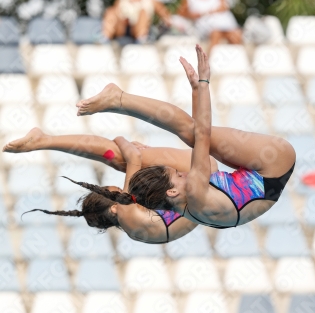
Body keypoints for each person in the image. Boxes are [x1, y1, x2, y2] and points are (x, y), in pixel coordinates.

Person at [75, 45, 296, 230]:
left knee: (193, 135)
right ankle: (118, 99)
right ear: (171, 191)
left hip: (263, 183)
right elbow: (202, 134)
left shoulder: (184, 208)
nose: (183, 172)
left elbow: (201, 138)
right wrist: (203, 83)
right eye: (177, 175)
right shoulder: (196, 193)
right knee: (191, 133)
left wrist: (194, 91)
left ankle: (117, 99)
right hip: (273, 163)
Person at [4, 128, 215, 243]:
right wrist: (122, 140)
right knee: (118, 157)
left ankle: (45, 141)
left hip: (206, 194)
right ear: (114, 206)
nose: (120, 188)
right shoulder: (127, 210)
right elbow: (134, 155)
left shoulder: (132, 230)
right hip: (205, 174)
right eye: (115, 191)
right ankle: (43, 141)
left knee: (129, 166)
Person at [177, 0, 242, 51]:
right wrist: (196, 15)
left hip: (224, 25)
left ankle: (236, 59)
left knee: (236, 34)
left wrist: (206, 12)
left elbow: (224, 8)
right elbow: (180, 14)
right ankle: (208, 60)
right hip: (204, 28)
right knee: (216, 33)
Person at [103, 0, 171, 43]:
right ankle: (104, 39)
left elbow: (167, 17)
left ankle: (140, 40)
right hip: (122, 30)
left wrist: (159, 30)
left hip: (140, 29)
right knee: (111, 11)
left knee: (143, 13)